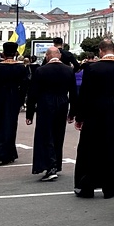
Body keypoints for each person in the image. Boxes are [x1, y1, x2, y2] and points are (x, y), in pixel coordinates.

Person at [73, 39, 114, 199]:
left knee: (91, 147)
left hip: (96, 110)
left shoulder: (93, 68)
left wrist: (80, 116)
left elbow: (85, 94)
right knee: (113, 147)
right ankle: (110, 186)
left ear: (101, 50)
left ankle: (87, 185)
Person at [28, 46, 75, 181]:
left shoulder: (41, 71)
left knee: (45, 134)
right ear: (59, 56)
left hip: (46, 103)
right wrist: (72, 113)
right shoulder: (68, 70)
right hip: (62, 102)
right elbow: (73, 93)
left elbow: (33, 93)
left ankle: (50, 166)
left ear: (48, 56)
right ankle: (56, 164)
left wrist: (29, 114)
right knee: (58, 134)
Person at [0, 42, 29, 166]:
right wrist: (21, 100)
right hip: (14, 98)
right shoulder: (21, 67)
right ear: (16, 53)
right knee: (11, 126)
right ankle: (10, 152)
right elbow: (25, 86)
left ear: (3, 54)